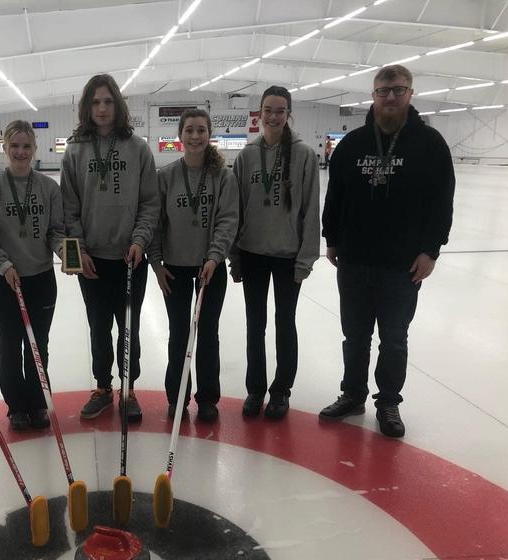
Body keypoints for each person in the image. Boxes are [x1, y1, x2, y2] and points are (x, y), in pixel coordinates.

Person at [320, 64, 454, 438]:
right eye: (384, 90)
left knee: (394, 338)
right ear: (374, 95)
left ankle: (389, 401)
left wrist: (431, 250)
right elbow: (336, 196)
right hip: (356, 259)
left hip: (402, 264)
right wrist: (331, 238)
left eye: (398, 89)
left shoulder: (430, 144)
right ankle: (352, 394)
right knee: (355, 335)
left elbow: (442, 201)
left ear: (410, 93)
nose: (391, 97)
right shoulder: (353, 144)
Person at [60, 73, 159, 422]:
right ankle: (103, 387)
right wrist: (80, 251)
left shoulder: (138, 148)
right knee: (98, 328)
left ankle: (128, 389)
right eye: (95, 102)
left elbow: (150, 202)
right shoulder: (74, 150)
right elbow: (68, 208)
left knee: (128, 328)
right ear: (87, 107)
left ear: (118, 104)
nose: (102, 108)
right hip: (93, 262)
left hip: (130, 258)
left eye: (108, 101)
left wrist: (140, 240)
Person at [230, 86, 320, 421]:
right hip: (252, 253)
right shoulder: (246, 156)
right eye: (268, 110)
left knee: (285, 323)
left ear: (289, 114)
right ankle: (255, 389)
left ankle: (280, 391)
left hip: (287, 255)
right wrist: (234, 256)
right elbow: (235, 209)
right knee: (255, 325)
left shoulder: (305, 155)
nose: (273, 116)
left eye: (280, 111)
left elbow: (311, 210)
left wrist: (306, 258)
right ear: (259, 113)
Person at [0, 121, 64, 431]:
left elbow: (56, 232)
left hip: (40, 279)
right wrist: (4, 265)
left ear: (35, 149)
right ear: (5, 148)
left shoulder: (49, 188)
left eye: (26, 146)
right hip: (4, 281)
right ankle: (16, 406)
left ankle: (38, 402)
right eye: (15, 146)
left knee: (38, 345)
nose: (21, 152)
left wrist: (66, 253)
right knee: (9, 344)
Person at [149, 109, 238, 423]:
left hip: (209, 269)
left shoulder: (223, 177)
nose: (195, 136)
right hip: (174, 268)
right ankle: (177, 397)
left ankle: (208, 399)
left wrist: (215, 257)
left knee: (208, 334)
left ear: (209, 134)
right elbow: (155, 224)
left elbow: (228, 221)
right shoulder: (166, 177)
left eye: (201, 130)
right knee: (178, 334)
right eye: (189, 130)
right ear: (180, 136)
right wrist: (157, 264)